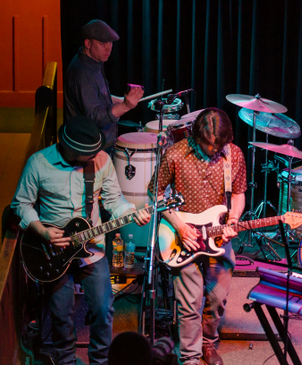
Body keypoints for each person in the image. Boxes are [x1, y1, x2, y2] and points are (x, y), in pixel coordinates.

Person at [11, 117, 151, 364]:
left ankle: (100, 360)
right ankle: (65, 360)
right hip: (51, 251)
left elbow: (113, 201)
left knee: (103, 310)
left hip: (92, 249)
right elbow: (21, 204)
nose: (92, 157)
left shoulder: (101, 161)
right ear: (68, 149)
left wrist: (131, 212)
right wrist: (41, 230)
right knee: (61, 314)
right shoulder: (39, 163)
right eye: (85, 154)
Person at [148, 108, 247, 365]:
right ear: (195, 137)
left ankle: (208, 343)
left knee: (217, 299)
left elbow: (238, 193)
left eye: (217, 145)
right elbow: (156, 194)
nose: (213, 149)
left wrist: (234, 220)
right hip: (184, 236)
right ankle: (190, 357)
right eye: (207, 145)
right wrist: (179, 225)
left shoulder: (233, 154)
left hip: (217, 235)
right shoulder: (176, 153)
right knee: (188, 302)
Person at [64, 19, 144, 152]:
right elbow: (94, 117)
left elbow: (97, 96)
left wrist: (119, 100)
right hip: (89, 148)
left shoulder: (94, 61)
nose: (108, 48)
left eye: (110, 43)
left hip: (101, 142)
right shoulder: (82, 73)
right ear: (88, 43)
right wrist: (125, 106)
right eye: (102, 43)